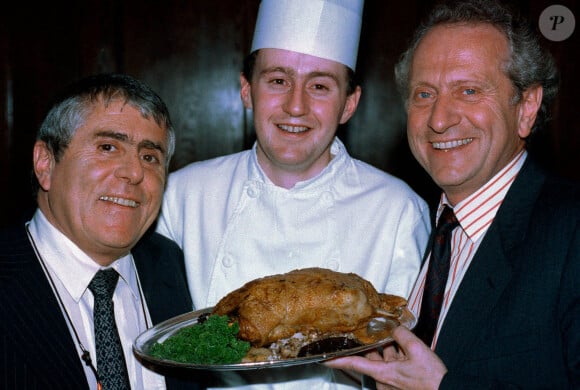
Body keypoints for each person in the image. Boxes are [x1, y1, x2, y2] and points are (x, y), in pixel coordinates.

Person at [155, 0, 430, 388]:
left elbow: (403, 358)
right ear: (246, 90)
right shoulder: (182, 195)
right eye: (278, 80)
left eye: (319, 86)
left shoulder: (398, 211)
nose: (295, 106)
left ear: (349, 104)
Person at [324, 0, 580, 388]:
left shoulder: (571, 232)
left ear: (526, 107)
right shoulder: (433, 227)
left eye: (469, 90)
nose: (440, 119)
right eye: (424, 95)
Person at [0, 73, 197, 390]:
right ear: (46, 163)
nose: (134, 173)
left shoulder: (176, 267)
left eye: (150, 157)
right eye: (108, 147)